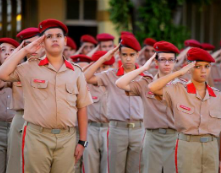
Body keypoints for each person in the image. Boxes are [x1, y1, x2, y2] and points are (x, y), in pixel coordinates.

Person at [0, 19, 93, 173]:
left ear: (65, 41)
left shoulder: (76, 72)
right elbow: (2, 74)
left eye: (59, 36)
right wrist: (24, 50)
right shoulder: (29, 68)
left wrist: (82, 141)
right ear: (42, 42)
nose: (54, 39)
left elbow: (82, 107)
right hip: (37, 137)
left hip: (66, 138)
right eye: (49, 36)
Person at [116, 41, 186, 173]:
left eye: (171, 60)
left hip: (175, 137)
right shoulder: (146, 82)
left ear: (175, 61)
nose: (167, 64)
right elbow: (120, 83)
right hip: (152, 137)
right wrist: (143, 68)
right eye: (163, 60)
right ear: (156, 62)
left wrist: (178, 74)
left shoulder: (182, 85)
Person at [148, 47, 221, 173]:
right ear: (189, 67)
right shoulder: (178, 90)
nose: (203, 71)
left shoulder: (217, 95)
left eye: (207, 66)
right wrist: (179, 72)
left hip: (211, 148)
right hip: (187, 147)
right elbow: (153, 87)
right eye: (198, 66)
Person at [84, 35, 149, 173]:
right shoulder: (110, 75)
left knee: (136, 170)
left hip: (139, 129)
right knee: (114, 169)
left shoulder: (145, 77)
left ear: (138, 55)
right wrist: (103, 59)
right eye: (124, 55)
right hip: (116, 129)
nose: (128, 58)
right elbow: (85, 77)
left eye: (132, 55)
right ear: (119, 55)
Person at [6, 27, 44, 173]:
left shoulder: (51, 67)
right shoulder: (16, 68)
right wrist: (18, 52)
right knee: (16, 163)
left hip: (41, 120)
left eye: (36, 43)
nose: (33, 48)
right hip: (21, 117)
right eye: (28, 44)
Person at [83, 51, 115, 173]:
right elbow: (81, 76)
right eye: (98, 67)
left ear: (112, 67)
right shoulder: (86, 85)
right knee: (89, 165)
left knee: (107, 167)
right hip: (91, 128)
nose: (101, 70)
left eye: (105, 67)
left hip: (109, 128)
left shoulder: (115, 84)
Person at [0, 38, 19, 173]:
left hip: (17, 128)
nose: (7, 53)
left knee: (15, 168)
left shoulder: (23, 73)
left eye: (12, 50)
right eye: (3, 50)